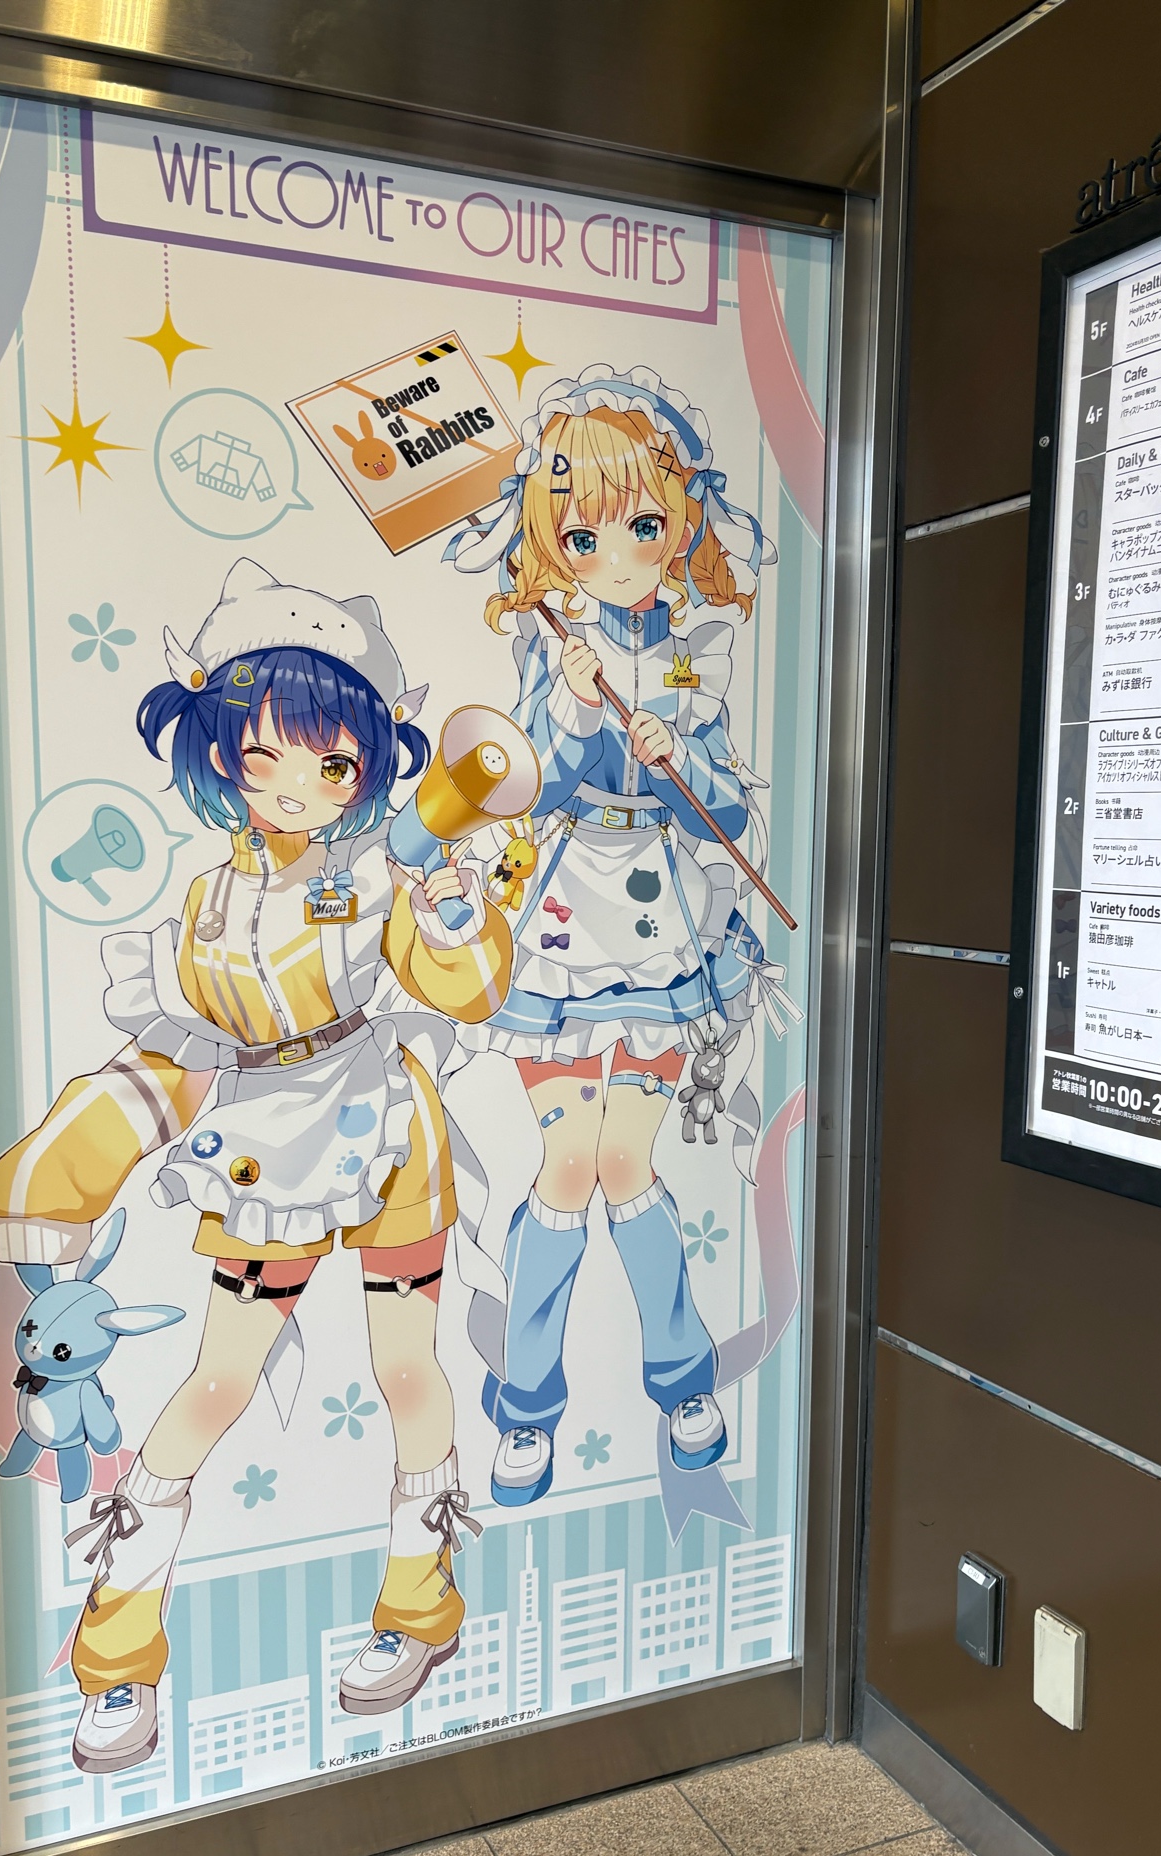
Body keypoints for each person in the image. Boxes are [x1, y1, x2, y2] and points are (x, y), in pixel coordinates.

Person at [0, 561, 512, 1772]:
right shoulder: (208, 902)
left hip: (388, 1136)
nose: (298, 786)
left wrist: (450, 916)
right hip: (265, 1153)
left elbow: (468, 990)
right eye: (265, 755)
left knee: (407, 1368)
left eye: (334, 764)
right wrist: (78, 1160)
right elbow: (179, 1048)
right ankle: (117, 1656)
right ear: (221, 755)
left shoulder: (384, 870)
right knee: (215, 1385)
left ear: (366, 765)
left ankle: (419, 1604)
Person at [444, 365, 799, 1507]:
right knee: (566, 1164)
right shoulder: (552, 646)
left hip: (663, 929)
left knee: (624, 1164)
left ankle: (683, 1384)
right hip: (563, 924)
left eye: (643, 524)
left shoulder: (698, 645)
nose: (617, 554)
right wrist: (573, 700)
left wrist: (676, 753)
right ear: (554, 542)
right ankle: (529, 1407)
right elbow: (530, 782)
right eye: (583, 533)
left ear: (680, 519)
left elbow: (726, 807)